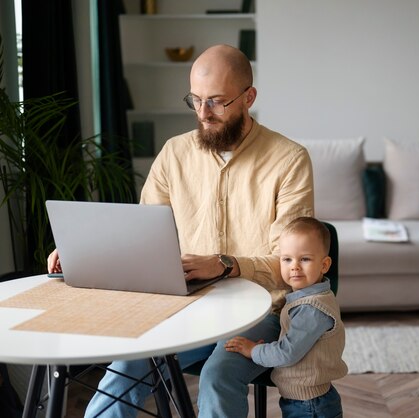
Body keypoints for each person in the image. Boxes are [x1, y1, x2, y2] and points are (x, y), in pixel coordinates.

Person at [47, 44, 314, 417]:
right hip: (185, 306)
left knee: (218, 375)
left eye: (217, 102)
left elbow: (291, 266)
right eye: (196, 100)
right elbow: (140, 236)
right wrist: (80, 252)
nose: (203, 114)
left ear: (249, 97)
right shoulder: (174, 153)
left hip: (262, 310)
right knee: (126, 367)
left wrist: (224, 264)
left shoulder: (289, 159)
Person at [225, 217, 347, 418]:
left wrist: (253, 350)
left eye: (305, 259)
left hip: (310, 405)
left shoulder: (312, 308)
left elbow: (287, 353)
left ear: (324, 265)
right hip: (306, 401)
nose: (295, 267)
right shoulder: (309, 298)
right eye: (287, 259)